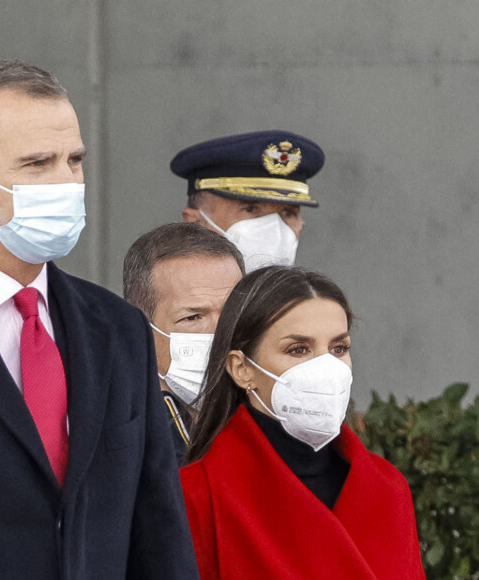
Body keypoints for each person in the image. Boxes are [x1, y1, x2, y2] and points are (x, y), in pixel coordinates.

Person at [0, 59, 199, 580]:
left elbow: (158, 529)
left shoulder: (119, 329)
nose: (66, 182)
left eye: (74, 160)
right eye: (37, 163)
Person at [181, 266, 425, 579]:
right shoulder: (196, 496)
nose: (326, 367)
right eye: (298, 349)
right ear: (242, 369)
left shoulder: (388, 488)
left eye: (339, 348)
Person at [123, 222, 244, 463]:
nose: (221, 333)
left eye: (233, 312)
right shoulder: (123, 443)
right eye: (193, 317)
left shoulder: (271, 424)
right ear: (139, 328)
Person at [171, 130, 325, 273]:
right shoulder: (160, 299)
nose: (275, 229)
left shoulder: (321, 301)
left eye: (288, 213)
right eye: (250, 209)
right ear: (195, 225)